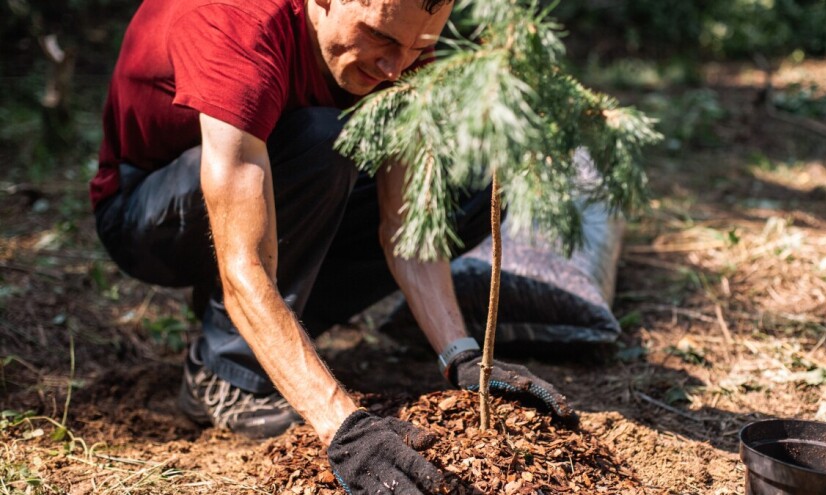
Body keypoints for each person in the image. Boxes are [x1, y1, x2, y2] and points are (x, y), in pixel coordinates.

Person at [90, 0, 573, 491]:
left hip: (282, 192)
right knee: (324, 140)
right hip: (147, 213)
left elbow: (406, 222)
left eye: (418, 48)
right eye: (381, 39)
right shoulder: (239, 21)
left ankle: (274, 332)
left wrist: (462, 355)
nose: (396, 67)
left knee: (465, 192)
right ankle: (226, 372)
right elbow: (244, 262)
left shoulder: (402, 43)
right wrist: (345, 429)